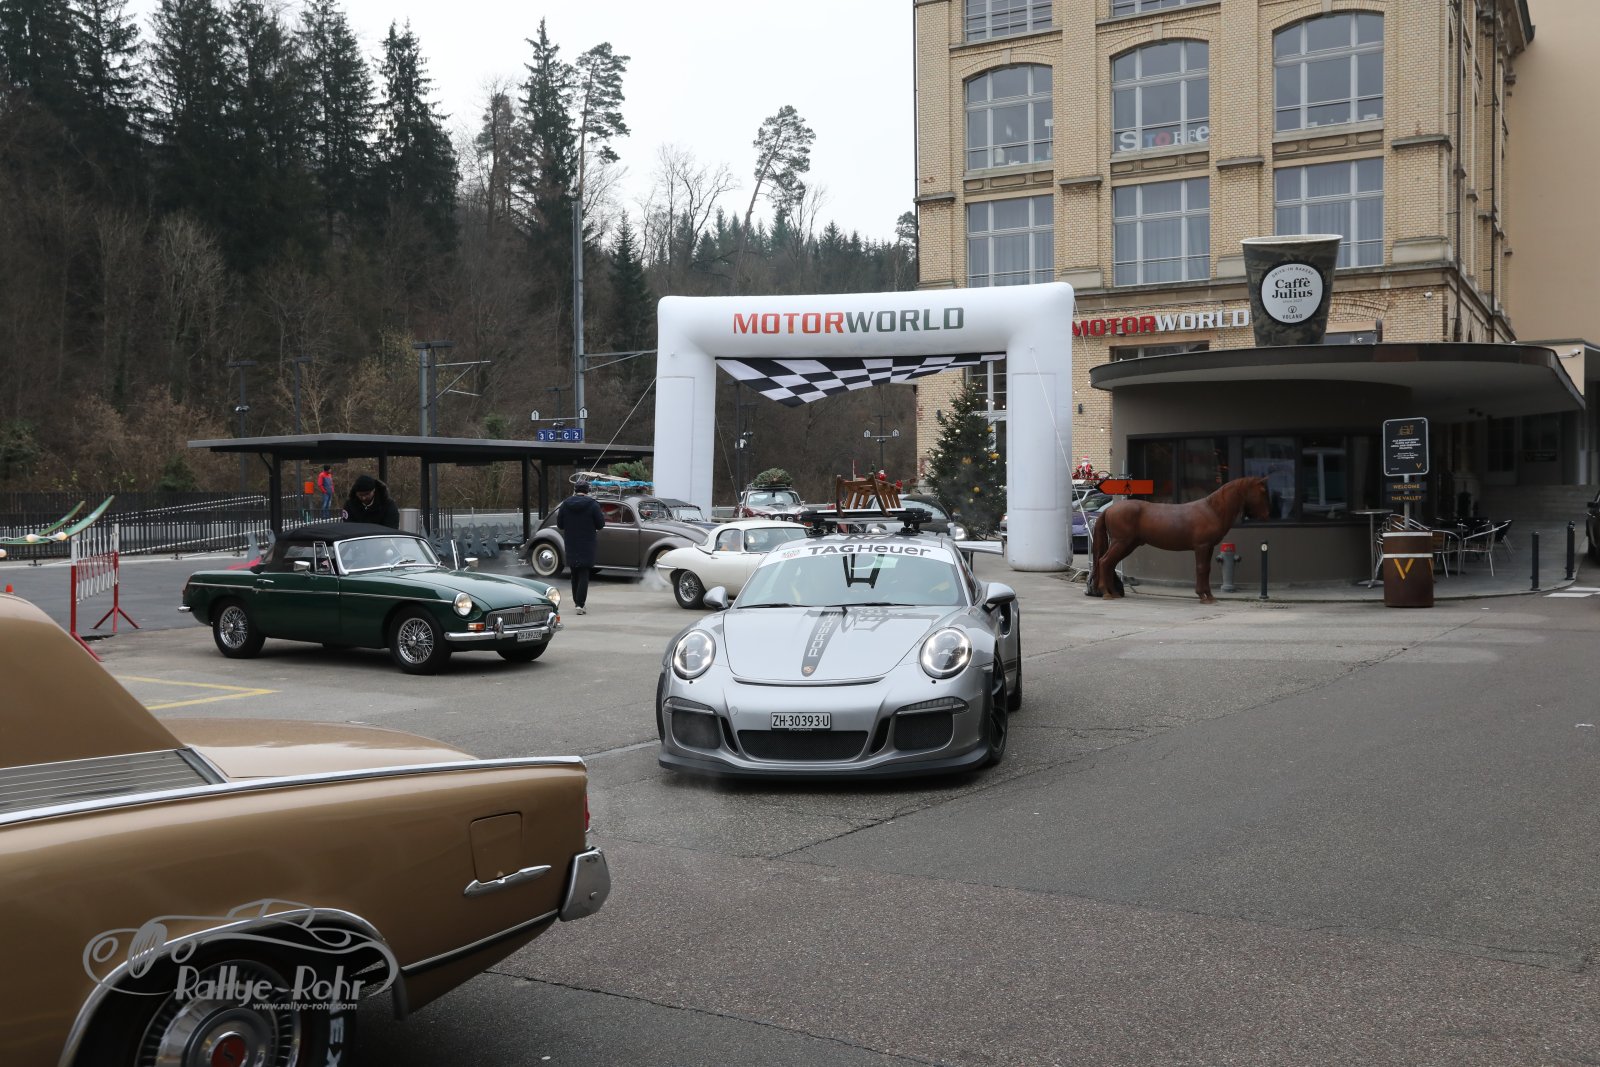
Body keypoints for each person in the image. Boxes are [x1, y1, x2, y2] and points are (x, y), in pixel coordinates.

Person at [556, 479, 605, 614]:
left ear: (575, 490)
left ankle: (576, 602)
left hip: (571, 542)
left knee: (574, 572)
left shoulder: (565, 504)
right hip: (587, 543)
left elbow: (560, 524)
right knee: (584, 573)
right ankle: (580, 604)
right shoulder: (593, 505)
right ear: (587, 490)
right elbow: (600, 525)